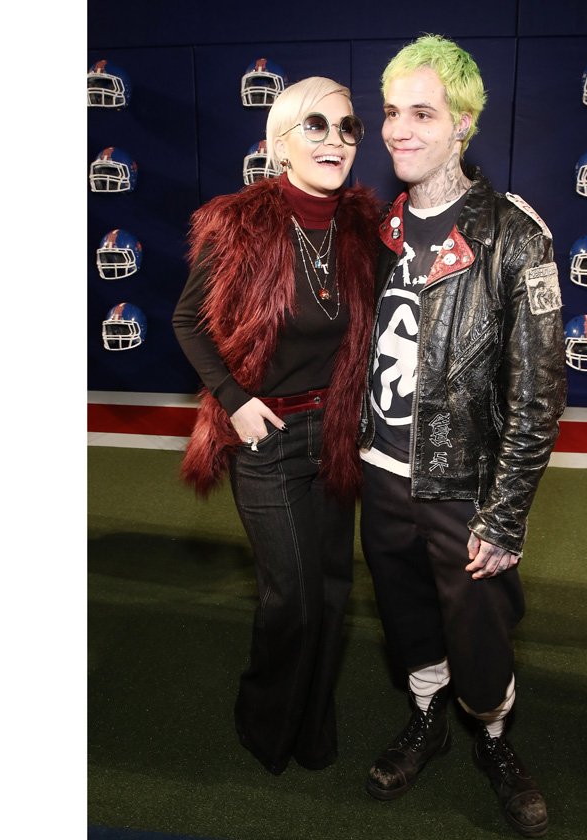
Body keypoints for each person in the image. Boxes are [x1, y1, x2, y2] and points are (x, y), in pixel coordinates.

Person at [357, 35, 567, 838]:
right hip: (380, 473)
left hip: (464, 488)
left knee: (480, 641)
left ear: (464, 123)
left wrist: (504, 516)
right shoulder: (377, 229)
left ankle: (494, 737)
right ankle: (427, 720)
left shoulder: (514, 234)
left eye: (422, 113)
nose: (398, 130)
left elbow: (539, 395)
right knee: (407, 618)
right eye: (390, 113)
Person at [172, 76, 381, 775]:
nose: (335, 140)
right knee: (291, 597)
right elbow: (188, 321)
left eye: (348, 128)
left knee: (333, 589)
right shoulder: (241, 223)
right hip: (268, 439)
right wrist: (234, 400)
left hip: (337, 437)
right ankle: (266, 723)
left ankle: (312, 724)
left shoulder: (362, 230)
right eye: (315, 126)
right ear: (279, 143)